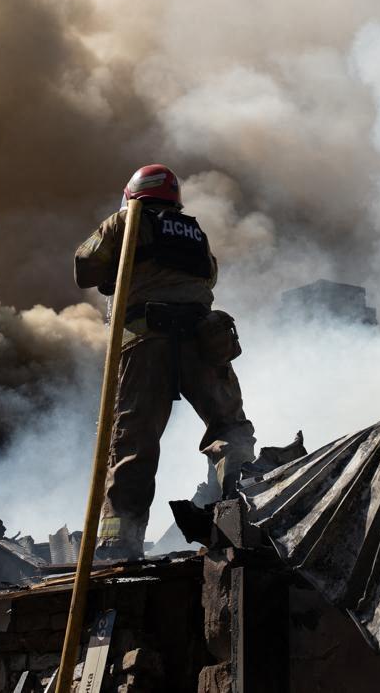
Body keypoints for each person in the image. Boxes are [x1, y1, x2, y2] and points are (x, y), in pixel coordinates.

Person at [74, 164, 257, 561]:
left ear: (132, 194)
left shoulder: (126, 220)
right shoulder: (194, 232)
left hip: (146, 341)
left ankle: (118, 542)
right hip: (202, 339)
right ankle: (243, 509)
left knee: (133, 442)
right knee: (229, 426)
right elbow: (208, 277)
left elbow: (84, 267)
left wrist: (119, 272)